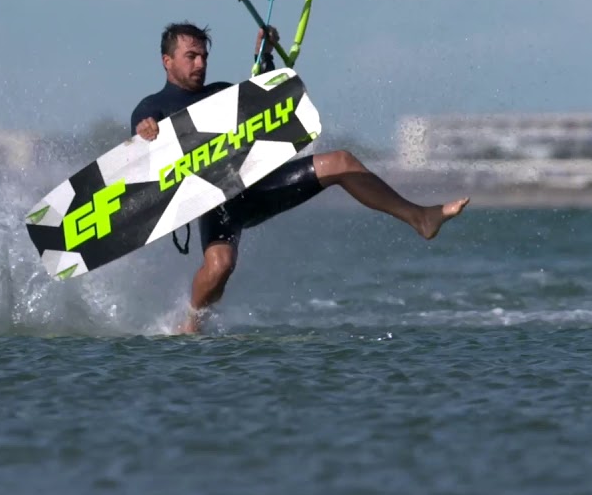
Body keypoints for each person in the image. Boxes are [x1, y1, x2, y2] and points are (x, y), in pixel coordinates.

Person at [130, 21, 469, 334]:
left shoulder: (222, 92)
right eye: (191, 56)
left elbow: (262, 100)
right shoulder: (154, 106)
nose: (200, 64)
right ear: (167, 60)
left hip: (260, 186)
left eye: (203, 56)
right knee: (220, 266)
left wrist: (263, 54)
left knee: (341, 161)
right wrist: (144, 131)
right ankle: (193, 321)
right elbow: (139, 133)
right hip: (218, 203)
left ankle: (421, 217)